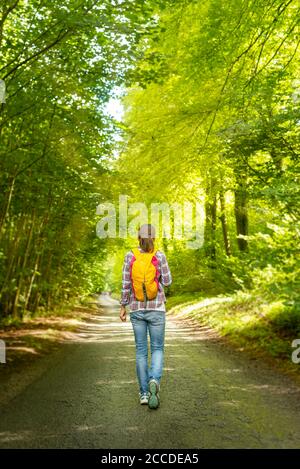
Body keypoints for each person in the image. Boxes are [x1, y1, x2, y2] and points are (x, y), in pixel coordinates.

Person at [119, 224, 172, 409]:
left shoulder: (130, 255)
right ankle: (154, 382)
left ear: (138, 238)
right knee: (157, 348)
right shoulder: (159, 255)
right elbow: (167, 281)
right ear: (154, 238)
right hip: (157, 308)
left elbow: (126, 283)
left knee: (141, 351)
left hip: (136, 309)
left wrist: (123, 306)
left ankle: (143, 393)